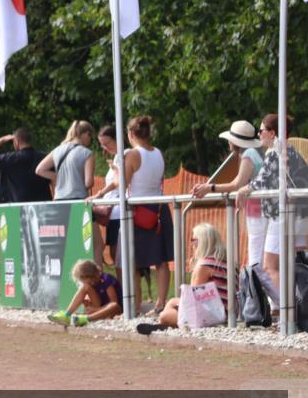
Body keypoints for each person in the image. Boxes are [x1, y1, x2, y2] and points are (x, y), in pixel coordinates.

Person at [237, 113, 308, 299]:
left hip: (284, 215)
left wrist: (243, 190)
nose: (259, 135)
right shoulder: (289, 150)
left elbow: (260, 181)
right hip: (296, 215)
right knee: (282, 265)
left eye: (261, 130)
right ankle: (291, 310)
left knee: (269, 266)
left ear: (272, 133)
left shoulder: (276, 151)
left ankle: (291, 310)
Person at [190, 120, 264, 266]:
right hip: (260, 210)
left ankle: (257, 287)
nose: (229, 143)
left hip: (258, 211)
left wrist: (209, 188)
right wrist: (209, 187)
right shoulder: (254, 153)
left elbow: (237, 184)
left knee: (256, 258)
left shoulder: (248, 154)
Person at [120, 115, 174, 314]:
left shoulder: (133, 154)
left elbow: (123, 184)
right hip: (159, 207)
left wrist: (117, 172)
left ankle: (135, 306)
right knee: (161, 260)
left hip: (140, 209)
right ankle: (160, 303)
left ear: (131, 134)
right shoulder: (158, 152)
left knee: (134, 260)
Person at [137, 223, 231, 333]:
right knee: (172, 301)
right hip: (226, 311)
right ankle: (166, 325)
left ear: (202, 242)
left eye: (193, 240)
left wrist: (194, 270)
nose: (192, 244)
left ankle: (165, 324)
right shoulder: (225, 261)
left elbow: (191, 299)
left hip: (213, 315)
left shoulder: (204, 265)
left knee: (164, 315)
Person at [0, 128, 51, 203]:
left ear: (16, 142)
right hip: (43, 205)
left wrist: (1, 140)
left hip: (16, 208)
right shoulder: (44, 158)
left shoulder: (11, 159)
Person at [47, 260, 122, 327]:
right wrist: (87, 301)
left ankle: (86, 319)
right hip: (100, 309)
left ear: (89, 276)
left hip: (114, 311)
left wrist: (95, 309)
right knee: (85, 287)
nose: (80, 281)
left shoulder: (106, 279)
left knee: (114, 305)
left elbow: (114, 302)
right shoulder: (91, 283)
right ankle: (67, 315)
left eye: (81, 279)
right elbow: (92, 302)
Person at [86, 125, 121, 266]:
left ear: (117, 138)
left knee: (117, 254)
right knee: (115, 254)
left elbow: (117, 182)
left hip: (119, 213)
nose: (105, 147)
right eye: (102, 145)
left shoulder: (124, 155)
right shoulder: (117, 157)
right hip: (113, 213)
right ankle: (122, 286)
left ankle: (124, 287)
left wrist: (99, 195)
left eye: (107, 143)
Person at [35, 120, 95, 200]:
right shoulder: (87, 153)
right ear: (86, 133)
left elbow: (39, 170)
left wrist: (58, 177)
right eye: (90, 136)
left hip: (59, 199)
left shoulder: (57, 150)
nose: (90, 140)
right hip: (78, 199)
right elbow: (89, 183)